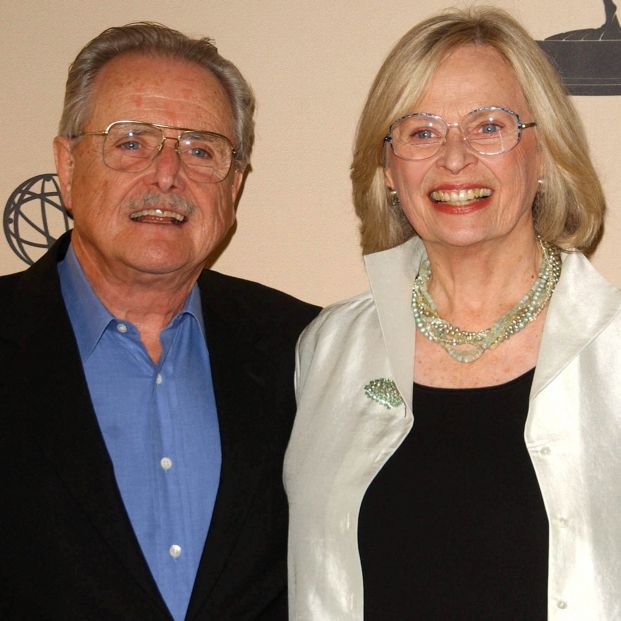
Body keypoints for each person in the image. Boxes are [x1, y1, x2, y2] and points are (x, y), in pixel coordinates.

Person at [285, 7, 621, 620]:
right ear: (388, 170)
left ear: (542, 154)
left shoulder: (617, 347)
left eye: (489, 126)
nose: (455, 158)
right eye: (421, 131)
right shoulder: (327, 350)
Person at [0, 23, 318, 621]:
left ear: (236, 185)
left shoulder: (306, 349)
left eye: (201, 150)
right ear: (67, 168)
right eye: (131, 142)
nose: (167, 174)